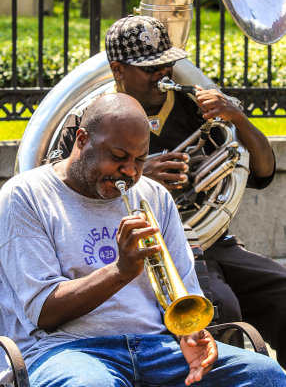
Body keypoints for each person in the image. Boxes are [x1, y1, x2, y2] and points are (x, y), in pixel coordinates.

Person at [45, 16, 286, 368]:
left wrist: (239, 119)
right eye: (150, 68)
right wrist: (144, 176)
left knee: (281, 290)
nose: (164, 73)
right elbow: (62, 188)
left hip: (209, 236)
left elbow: (263, 173)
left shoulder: (194, 109)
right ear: (118, 69)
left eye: (167, 62)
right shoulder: (90, 120)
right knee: (220, 305)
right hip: (137, 247)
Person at [0, 93, 285, 387]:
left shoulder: (153, 195)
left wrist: (191, 334)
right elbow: (44, 311)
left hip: (157, 347)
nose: (131, 172)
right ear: (82, 139)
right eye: (118, 157)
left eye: (140, 159)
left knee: (265, 375)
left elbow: (183, 291)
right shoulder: (26, 195)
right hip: (66, 350)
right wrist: (120, 271)